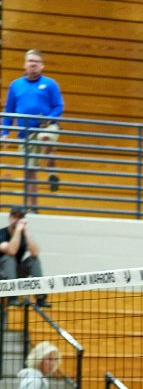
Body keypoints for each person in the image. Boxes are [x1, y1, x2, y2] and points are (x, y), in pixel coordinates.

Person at [1, 49, 63, 205]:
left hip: (46, 126)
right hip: (25, 133)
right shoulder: (16, 85)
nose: (33, 64)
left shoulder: (50, 84)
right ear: (25, 64)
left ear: (42, 66)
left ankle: (51, 172)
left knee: (45, 137)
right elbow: (9, 110)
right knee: (30, 172)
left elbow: (59, 106)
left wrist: (50, 119)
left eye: (36, 61)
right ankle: (33, 208)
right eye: (30, 61)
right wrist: (5, 132)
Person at [0, 207, 50, 307]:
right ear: (10, 218)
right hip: (2, 274)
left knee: (34, 260)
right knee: (9, 258)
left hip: (14, 274)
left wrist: (26, 231)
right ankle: (12, 297)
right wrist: (18, 230)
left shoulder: (23, 235)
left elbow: (35, 253)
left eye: (20, 217)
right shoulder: (2, 234)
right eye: (15, 217)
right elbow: (12, 251)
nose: (17, 220)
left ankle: (40, 297)